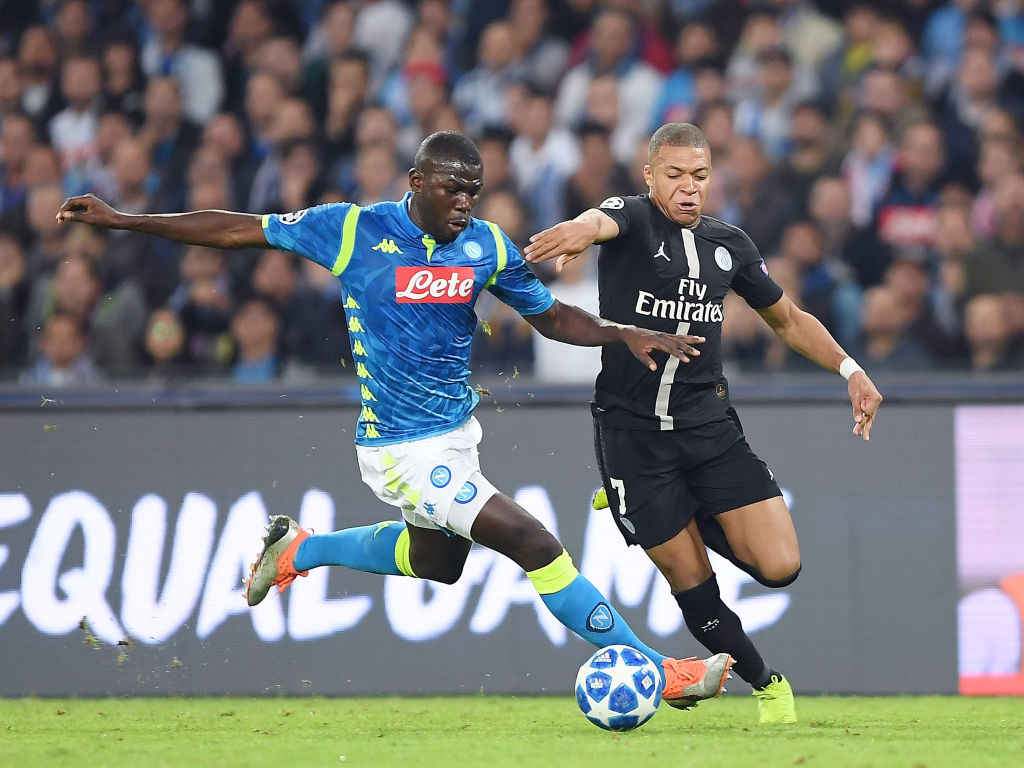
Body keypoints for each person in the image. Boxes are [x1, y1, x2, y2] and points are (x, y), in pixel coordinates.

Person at [56, 130, 731, 710]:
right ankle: (660, 672)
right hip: (399, 448)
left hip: (455, 439)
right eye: (451, 189)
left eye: (473, 190)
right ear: (416, 182)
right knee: (535, 543)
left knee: (436, 563)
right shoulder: (354, 229)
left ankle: (298, 550)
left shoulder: (486, 246)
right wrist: (127, 221)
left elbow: (550, 316)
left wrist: (621, 333)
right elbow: (239, 229)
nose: (464, 203)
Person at [523, 122, 883, 724]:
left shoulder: (730, 246)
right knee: (692, 579)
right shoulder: (635, 219)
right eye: (674, 175)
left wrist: (850, 369)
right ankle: (768, 685)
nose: (688, 188)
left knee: (780, 566)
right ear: (649, 176)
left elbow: (789, 320)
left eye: (699, 176)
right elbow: (600, 219)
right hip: (632, 436)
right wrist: (580, 234)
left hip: (709, 427)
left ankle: (653, 507)